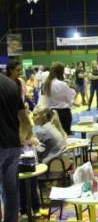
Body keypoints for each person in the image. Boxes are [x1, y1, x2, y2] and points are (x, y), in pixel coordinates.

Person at [19, 105, 68, 218]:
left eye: (35, 115)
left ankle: (26, 208)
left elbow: (32, 140)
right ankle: (33, 208)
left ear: (43, 116)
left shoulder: (41, 130)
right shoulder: (49, 126)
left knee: (25, 182)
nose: (33, 117)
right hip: (61, 162)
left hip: (53, 165)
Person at [0, 73, 33, 222]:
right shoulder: (11, 84)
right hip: (13, 146)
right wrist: (19, 138)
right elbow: (26, 121)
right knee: (11, 192)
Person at [44, 62, 76, 135]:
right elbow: (70, 97)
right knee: (65, 135)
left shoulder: (47, 84)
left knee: (56, 135)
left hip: (51, 112)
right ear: (60, 72)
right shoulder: (62, 84)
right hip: (63, 113)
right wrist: (72, 89)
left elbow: (47, 100)